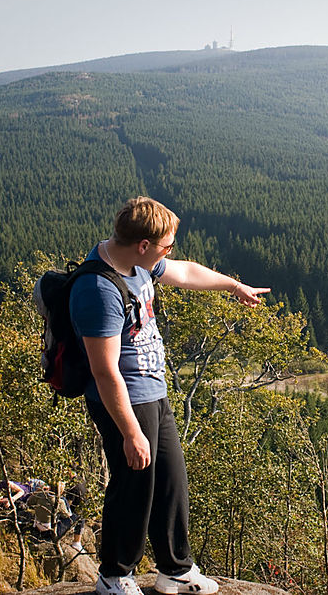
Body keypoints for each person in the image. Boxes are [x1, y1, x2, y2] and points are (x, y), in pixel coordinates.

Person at [70, 196, 269, 595]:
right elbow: (105, 371)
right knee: (133, 484)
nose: (169, 254)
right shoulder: (98, 289)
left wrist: (233, 286)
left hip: (154, 392)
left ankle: (174, 569)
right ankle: (115, 575)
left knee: (171, 481)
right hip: (125, 399)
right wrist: (129, 432)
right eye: (166, 246)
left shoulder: (137, 262)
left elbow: (186, 272)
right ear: (143, 244)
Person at [27, 481, 85, 552]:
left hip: (37, 525)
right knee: (79, 518)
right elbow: (66, 516)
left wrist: (38, 492)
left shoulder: (40, 494)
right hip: (49, 531)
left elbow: (29, 502)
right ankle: (76, 543)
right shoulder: (60, 501)